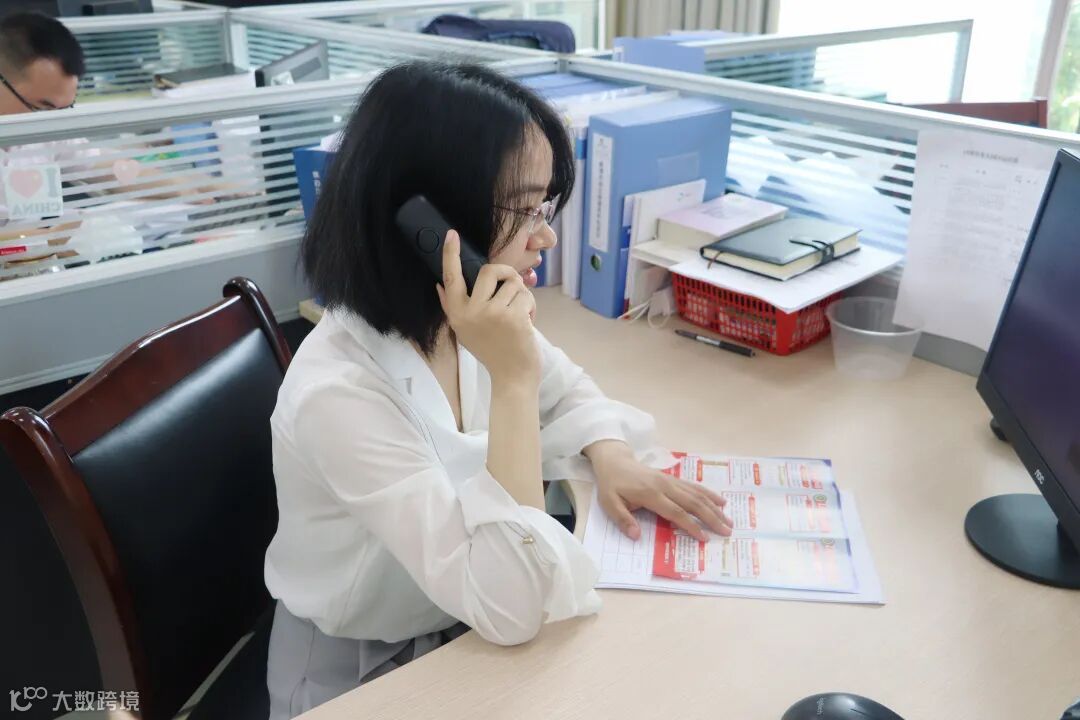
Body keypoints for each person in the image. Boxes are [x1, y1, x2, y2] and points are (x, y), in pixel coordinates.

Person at [263, 61, 734, 719]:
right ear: (424, 220)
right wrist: (513, 382)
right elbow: (512, 603)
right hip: (361, 671)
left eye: (547, 205)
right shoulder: (339, 394)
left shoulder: (461, 315)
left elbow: (568, 391)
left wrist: (611, 453)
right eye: (525, 208)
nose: (546, 234)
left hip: (460, 619)